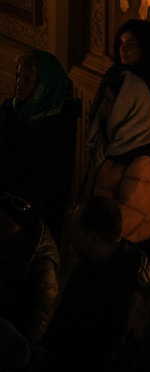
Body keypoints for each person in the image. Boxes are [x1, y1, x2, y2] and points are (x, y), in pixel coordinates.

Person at [30, 196, 150, 372]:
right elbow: (65, 312)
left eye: (75, 228)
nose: (70, 232)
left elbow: (99, 355)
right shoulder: (93, 260)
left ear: (94, 238)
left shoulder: (125, 287)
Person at [84, 70, 150, 264]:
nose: (103, 108)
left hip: (123, 254)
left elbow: (126, 218)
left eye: (111, 102)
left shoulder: (146, 161)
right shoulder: (113, 143)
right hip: (101, 245)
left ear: (128, 107)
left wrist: (91, 237)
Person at [0, 50, 81, 245]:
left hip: (34, 215)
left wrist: (13, 210)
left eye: (27, 80)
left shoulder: (58, 125)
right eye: (19, 76)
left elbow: (47, 183)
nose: (19, 83)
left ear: (42, 87)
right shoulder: (10, 110)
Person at [0, 192, 59, 346]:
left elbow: (35, 327)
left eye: (6, 223)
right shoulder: (10, 241)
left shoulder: (44, 271)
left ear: (24, 228)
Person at [89, 18, 150, 127]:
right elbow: (96, 113)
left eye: (131, 44)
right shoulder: (115, 72)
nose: (123, 49)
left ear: (146, 46)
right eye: (121, 43)